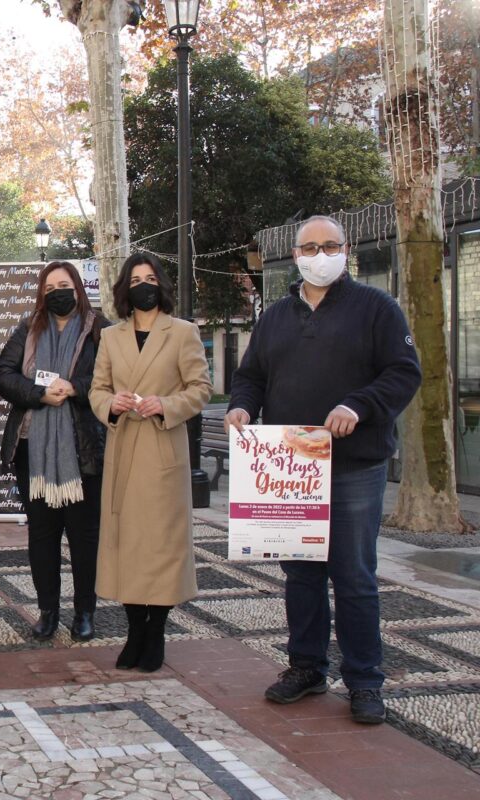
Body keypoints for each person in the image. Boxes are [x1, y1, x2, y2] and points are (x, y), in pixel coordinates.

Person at [227, 215, 421, 725]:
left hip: (354, 465)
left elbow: (404, 372)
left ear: (346, 249)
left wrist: (358, 406)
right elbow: (251, 376)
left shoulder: (376, 308)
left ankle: (364, 680)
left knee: (354, 576)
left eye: (329, 245)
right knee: (301, 576)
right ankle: (307, 667)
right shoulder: (275, 316)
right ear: (295, 256)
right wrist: (242, 407)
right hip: (291, 466)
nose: (319, 254)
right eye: (309, 247)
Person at [89, 252, 212, 672]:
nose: (144, 285)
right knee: (126, 543)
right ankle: (133, 629)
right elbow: (96, 390)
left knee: (161, 545)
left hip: (162, 450)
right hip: (123, 449)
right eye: (136, 278)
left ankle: (155, 632)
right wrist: (112, 403)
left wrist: (166, 403)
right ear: (125, 288)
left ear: (161, 284)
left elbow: (200, 389)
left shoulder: (182, 333)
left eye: (150, 277)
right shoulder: (111, 337)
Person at [0, 261, 108, 642]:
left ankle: (84, 612)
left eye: (65, 284)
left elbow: (114, 376)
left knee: (83, 536)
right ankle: (47, 611)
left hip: (83, 448)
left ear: (78, 288)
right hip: (33, 449)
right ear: (42, 293)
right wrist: (39, 393)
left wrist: (75, 387)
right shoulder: (29, 328)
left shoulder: (100, 329)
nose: (57, 292)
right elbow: (4, 375)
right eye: (50, 286)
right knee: (42, 536)